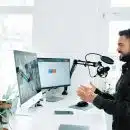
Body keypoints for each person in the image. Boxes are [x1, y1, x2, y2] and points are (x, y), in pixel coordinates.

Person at [77, 29, 130, 130]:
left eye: (121, 45)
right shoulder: (127, 69)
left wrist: (94, 99)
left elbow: (126, 109)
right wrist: (96, 92)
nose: (118, 49)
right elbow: (118, 99)